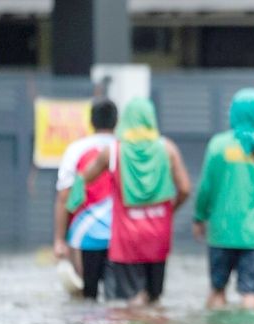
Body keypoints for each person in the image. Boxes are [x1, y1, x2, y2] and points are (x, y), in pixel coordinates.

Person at [81, 97, 192, 306]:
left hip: (127, 237)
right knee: (154, 299)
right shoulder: (167, 149)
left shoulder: (114, 151)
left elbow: (84, 179)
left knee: (127, 301)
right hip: (158, 234)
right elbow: (185, 188)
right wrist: (171, 210)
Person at [194, 88, 254, 309]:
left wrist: (199, 217)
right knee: (251, 293)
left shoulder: (217, 145)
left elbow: (205, 188)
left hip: (221, 232)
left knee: (217, 290)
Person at [53, 97, 118, 300]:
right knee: (117, 303)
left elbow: (64, 196)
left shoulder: (76, 149)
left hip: (84, 236)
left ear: (91, 122)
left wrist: (59, 240)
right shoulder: (123, 148)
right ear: (117, 122)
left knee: (85, 299)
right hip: (120, 236)